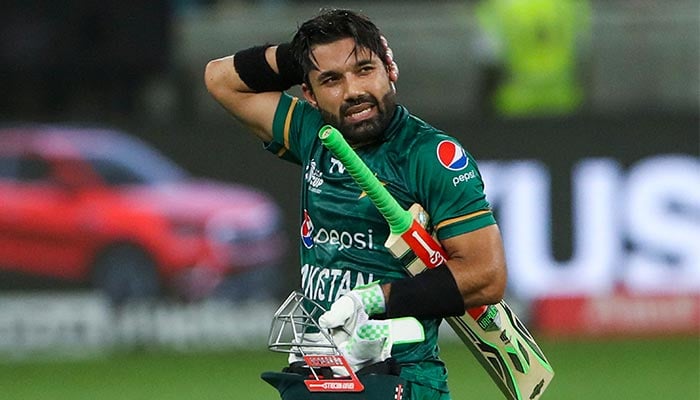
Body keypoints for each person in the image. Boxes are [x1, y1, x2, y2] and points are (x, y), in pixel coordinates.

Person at [205, 8, 507, 399]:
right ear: (309, 94)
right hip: (319, 370)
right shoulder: (311, 131)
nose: (353, 91)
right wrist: (299, 56)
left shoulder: (430, 155)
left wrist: (368, 299)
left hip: (398, 375)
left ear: (389, 71)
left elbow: (487, 274)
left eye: (365, 69)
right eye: (331, 79)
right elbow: (220, 79)